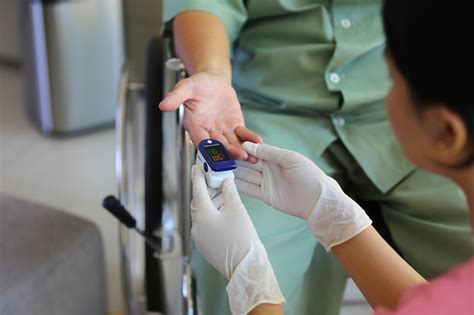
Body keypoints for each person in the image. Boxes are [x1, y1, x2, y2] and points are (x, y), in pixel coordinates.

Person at [160, 0, 474, 314]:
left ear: (448, 132)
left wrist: (249, 278)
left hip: (416, 108)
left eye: (390, 78)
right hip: (269, 114)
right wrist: (336, 220)